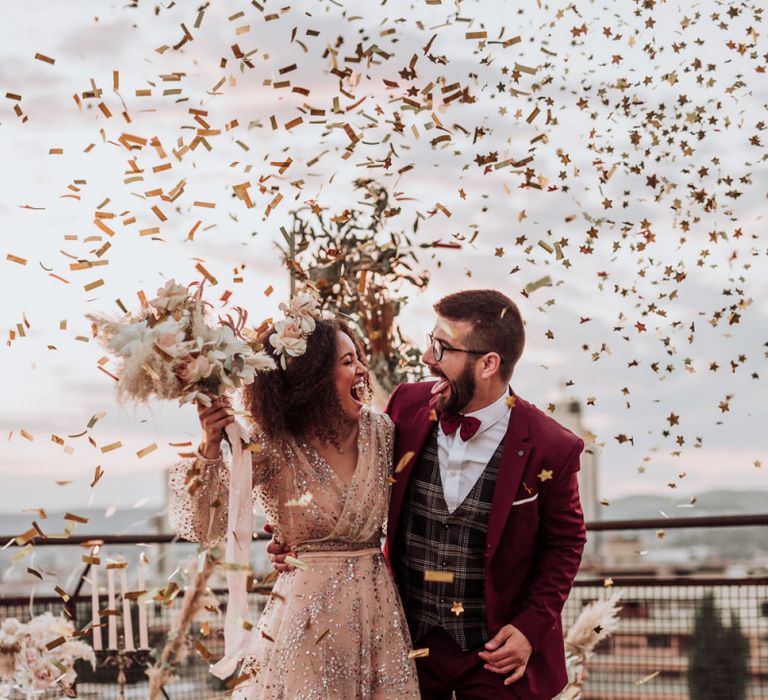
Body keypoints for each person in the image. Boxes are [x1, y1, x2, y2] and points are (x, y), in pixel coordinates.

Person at [271, 289, 587, 699]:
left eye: (442, 347)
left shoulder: (552, 446)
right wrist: (295, 533)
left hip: (494, 654)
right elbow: (352, 477)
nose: (427, 357)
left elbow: (566, 543)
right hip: (403, 641)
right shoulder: (406, 405)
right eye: (429, 340)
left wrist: (530, 628)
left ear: (488, 363)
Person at [168, 294, 420, 699]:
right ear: (314, 379)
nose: (361, 369)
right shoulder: (271, 447)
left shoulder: (383, 432)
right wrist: (211, 444)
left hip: (379, 613)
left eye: (358, 357)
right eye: (347, 361)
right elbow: (207, 525)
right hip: (305, 621)